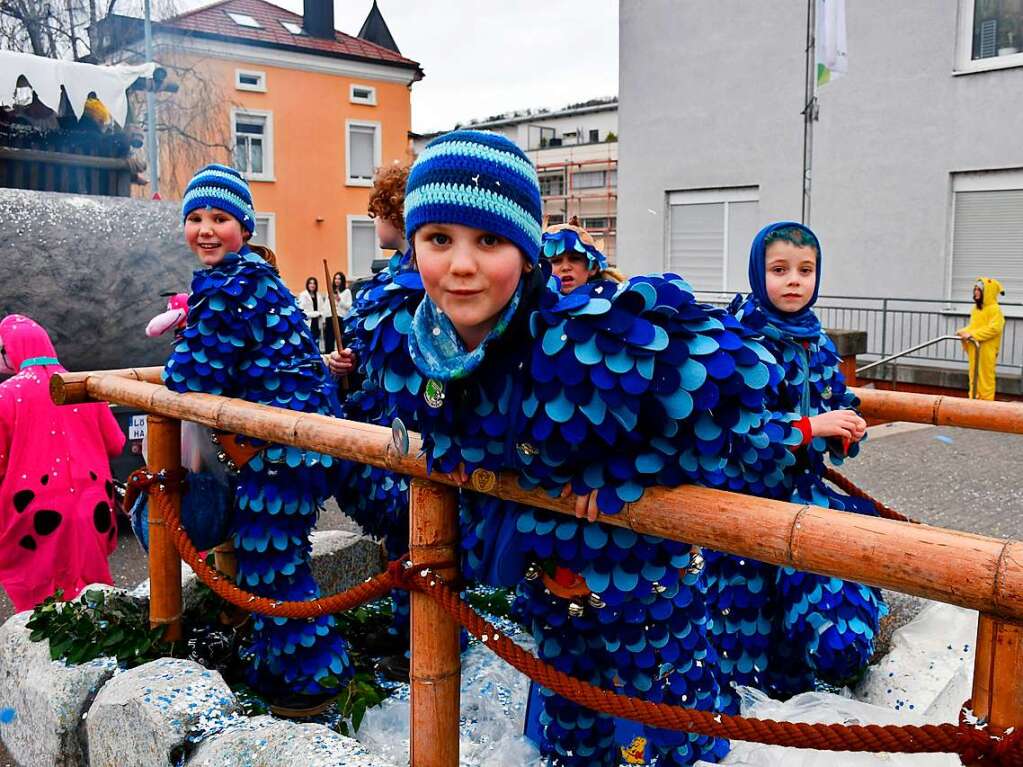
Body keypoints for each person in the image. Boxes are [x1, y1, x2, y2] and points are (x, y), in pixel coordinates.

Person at [338, 130, 799, 766]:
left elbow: (739, 382)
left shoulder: (580, 341)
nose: (462, 264)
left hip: (641, 594)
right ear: (411, 244)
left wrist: (624, 473)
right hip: (549, 592)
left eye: (489, 241)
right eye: (438, 239)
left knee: (658, 732)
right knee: (570, 721)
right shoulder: (412, 338)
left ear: (528, 252)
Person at [163, 164, 351, 717]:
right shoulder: (250, 277)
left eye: (219, 217)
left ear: (243, 226)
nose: (205, 228)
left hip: (285, 447)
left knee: (271, 560)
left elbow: (191, 376)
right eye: (194, 217)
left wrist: (181, 348)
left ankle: (317, 678)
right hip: (293, 443)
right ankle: (279, 662)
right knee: (266, 553)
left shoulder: (234, 283)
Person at [702, 222, 887, 711]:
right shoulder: (737, 344)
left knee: (801, 609)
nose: (793, 281)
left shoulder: (818, 343)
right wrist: (812, 426)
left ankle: (789, 705)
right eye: (779, 269)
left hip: (802, 496)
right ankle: (738, 712)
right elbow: (742, 432)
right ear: (756, 273)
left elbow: (837, 402)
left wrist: (848, 429)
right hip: (745, 500)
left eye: (806, 270)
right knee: (746, 610)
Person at [0, 314, 124, 612]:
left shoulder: (6, 396)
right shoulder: (84, 386)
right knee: (93, 598)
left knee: (41, 605)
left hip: (33, 513)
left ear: (13, 350)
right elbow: (117, 444)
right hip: (92, 506)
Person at [541, 216, 625, 294]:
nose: (565, 268)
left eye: (574, 259)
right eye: (556, 261)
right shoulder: (531, 304)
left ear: (593, 268)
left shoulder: (613, 304)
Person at [957, 277, 1005, 400]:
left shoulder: (995, 309)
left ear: (987, 292)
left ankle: (986, 405)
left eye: (979, 289)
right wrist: (964, 331)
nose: (976, 292)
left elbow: (994, 329)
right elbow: (974, 326)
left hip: (987, 349)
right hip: (976, 347)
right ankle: (973, 400)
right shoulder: (977, 309)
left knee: (985, 377)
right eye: (975, 289)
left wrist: (972, 335)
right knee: (974, 375)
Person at [323, 272, 352, 354]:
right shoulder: (330, 290)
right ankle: (329, 357)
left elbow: (349, 306)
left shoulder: (347, 291)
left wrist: (339, 300)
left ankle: (343, 356)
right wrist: (324, 319)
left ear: (342, 280)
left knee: (342, 339)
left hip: (341, 318)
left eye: (339, 278)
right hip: (330, 317)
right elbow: (326, 306)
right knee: (329, 340)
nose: (337, 280)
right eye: (335, 278)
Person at [298, 276, 325, 352]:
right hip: (308, 322)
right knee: (309, 342)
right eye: (310, 283)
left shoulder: (318, 295)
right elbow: (302, 311)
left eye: (314, 283)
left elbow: (322, 310)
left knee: (317, 342)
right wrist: (316, 313)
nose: (312, 285)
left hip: (317, 323)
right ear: (307, 285)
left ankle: (317, 359)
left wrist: (321, 315)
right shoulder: (303, 295)